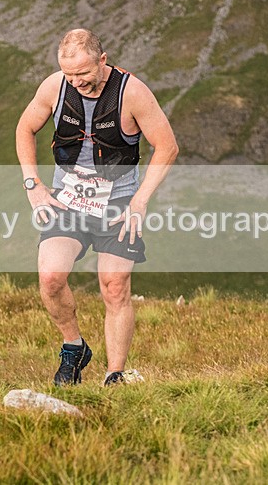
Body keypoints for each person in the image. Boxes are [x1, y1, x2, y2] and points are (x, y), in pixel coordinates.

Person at [15, 28, 178, 386]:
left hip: (118, 202)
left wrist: (140, 201)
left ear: (102, 60)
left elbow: (166, 146)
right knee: (51, 278)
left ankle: (114, 375)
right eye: (69, 74)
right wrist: (33, 184)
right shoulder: (55, 86)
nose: (76, 83)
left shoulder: (131, 92)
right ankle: (74, 347)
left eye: (84, 74)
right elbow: (25, 128)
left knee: (114, 285)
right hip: (67, 198)